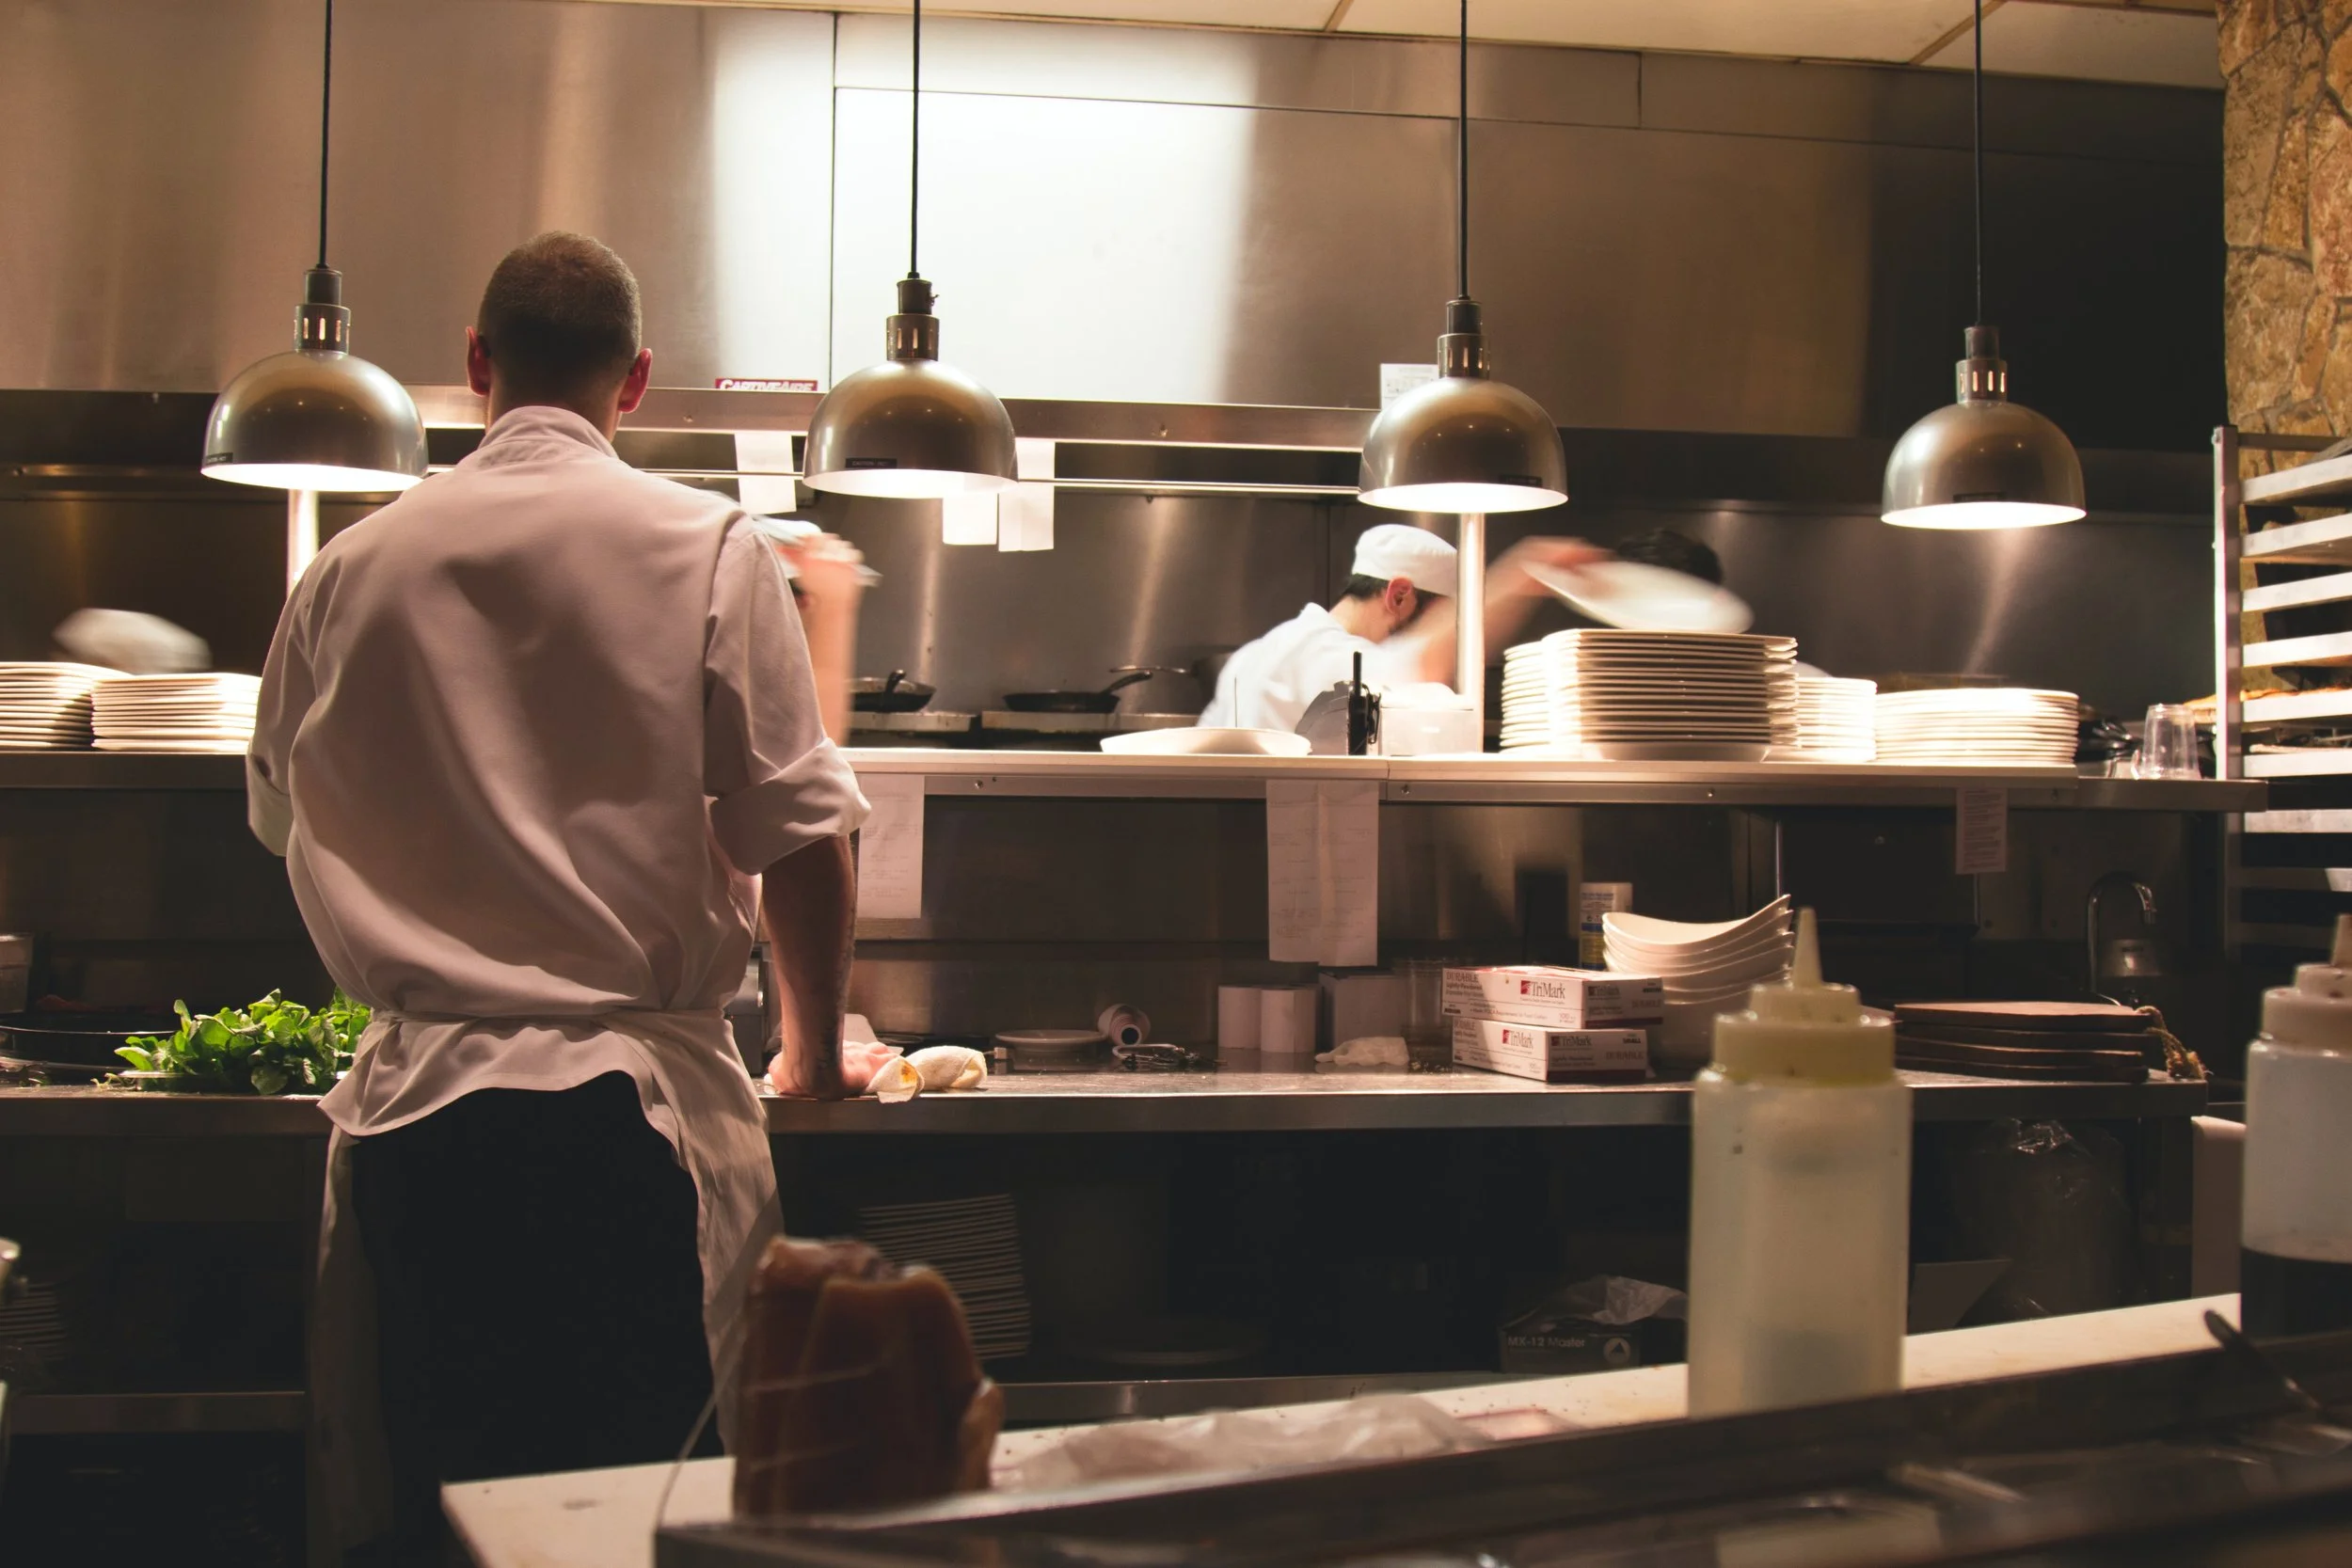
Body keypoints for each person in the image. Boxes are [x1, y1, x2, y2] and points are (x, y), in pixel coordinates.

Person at [246, 231, 869, 1563]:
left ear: (475, 367)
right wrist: (810, 1050)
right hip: (622, 1134)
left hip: (420, 1128)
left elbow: (280, 817)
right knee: (643, 1523)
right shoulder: (706, 543)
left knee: (447, 1510)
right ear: (634, 379)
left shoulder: (350, 567)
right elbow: (802, 832)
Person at [1200, 522, 1599, 734]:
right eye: (1442, 619)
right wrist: (1526, 572)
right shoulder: (1323, 654)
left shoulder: (1253, 654)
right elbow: (1416, 666)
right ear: (1399, 596)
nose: (1445, 634)